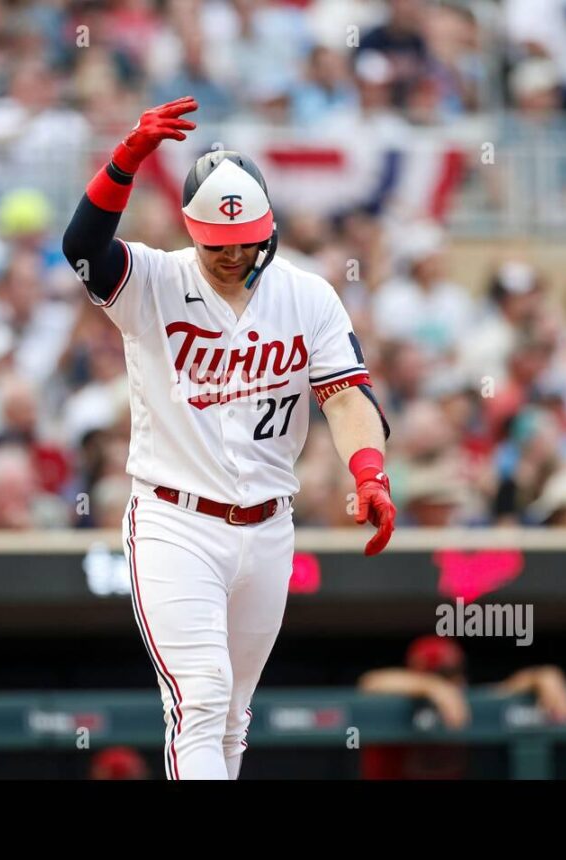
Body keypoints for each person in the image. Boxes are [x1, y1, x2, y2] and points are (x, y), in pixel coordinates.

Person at [61, 97, 395, 780]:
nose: (235, 251)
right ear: (192, 232)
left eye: (249, 239)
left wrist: (369, 473)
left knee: (235, 716)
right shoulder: (154, 280)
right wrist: (124, 160)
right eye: (219, 241)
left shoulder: (307, 295)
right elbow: (82, 249)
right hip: (175, 520)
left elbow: (347, 396)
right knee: (203, 700)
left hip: (271, 526)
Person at [358, 635, 566, 779]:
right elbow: (371, 683)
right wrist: (432, 687)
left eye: (455, 673)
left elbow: (506, 691)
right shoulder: (398, 701)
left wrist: (543, 676)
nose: (453, 683)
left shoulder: (463, 700)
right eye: (441, 674)